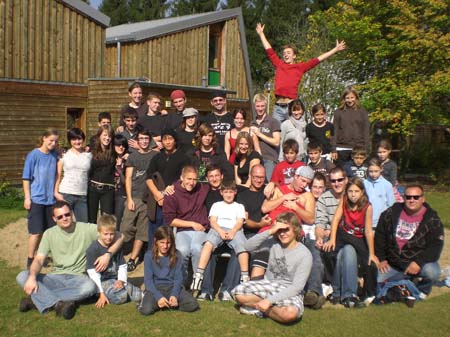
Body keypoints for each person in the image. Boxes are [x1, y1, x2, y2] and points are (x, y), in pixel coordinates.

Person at [16, 201, 123, 320]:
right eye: (60, 217)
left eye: (67, 214)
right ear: (54, 218)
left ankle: (36, 300)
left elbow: (120, 236)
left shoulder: (86, 229)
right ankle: (58, 304)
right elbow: (39, 259)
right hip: (56, 277)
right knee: (22, 276)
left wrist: (108, 255)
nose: (65, 218)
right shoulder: (49, 234)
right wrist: (31, 278)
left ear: (72, 213)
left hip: (79, 278)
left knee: (90, 287)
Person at [255, 22, 345, 123]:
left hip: (292, 106)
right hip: (278, 107)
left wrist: (335, 50)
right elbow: (269, 51)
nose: (286, 55)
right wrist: (261, 34)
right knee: (276, 133)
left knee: (296, 133)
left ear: (294, 56)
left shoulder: (300, 67)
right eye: (284, 53)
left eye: (288, 53)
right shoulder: (279, 64)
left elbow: (318, 59)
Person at [232, 212, 312, 324]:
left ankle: (259, 310)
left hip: (289, 290)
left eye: (286, 229)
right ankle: (270, 309)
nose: (282, 234)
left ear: (295, 229)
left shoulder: (305, 254)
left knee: (290, 314)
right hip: (269, 284)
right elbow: (248, 246)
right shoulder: (273, 243)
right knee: (239, 294)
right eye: (279, 230)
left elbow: (297, 287)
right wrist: (270, 231)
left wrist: (269, 301)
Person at [375, 184, 443, 296]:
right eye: (408, 197)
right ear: (403, 197)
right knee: (375, 280)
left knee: (432, 272)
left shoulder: (432, 219)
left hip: (417, 262)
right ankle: (406, 281)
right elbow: (380, 236)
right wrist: (381, 258)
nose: (412, 200)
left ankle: (421, 291)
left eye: (416, 197)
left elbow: (435, 246)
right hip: (393, 262)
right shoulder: (390, 213)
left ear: (423, 199)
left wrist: (418, 263)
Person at [323, 177, 379, 308]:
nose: (353, 195)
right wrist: (332, 239)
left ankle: (369, 293)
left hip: (358, 237)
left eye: (356, 191)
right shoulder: (344, 201)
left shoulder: (367, 207)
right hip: (344, 234)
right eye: (350, 191)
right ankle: (334, 288)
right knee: (328, 253)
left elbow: (368, 231)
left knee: (370, 264)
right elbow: (336, 219)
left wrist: (371, 253)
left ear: (362, 192)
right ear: (346, 192)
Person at [191, 181, 250, 294]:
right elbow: (213, 221)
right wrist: (220, 231)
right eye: (226, 192)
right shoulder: (217, 205)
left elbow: (239, 222)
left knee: (243, 247)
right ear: (221, 192)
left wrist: (233, 231)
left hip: (234, 229)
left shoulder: (239, 206)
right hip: (218, 228)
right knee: (208, 243)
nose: (228, 194)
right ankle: (198, 275)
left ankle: (245, 277)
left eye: (231, 192)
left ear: (235, 192)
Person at [162, 165, 210, 287]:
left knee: (197, 249)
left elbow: (221, 185)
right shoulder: (172, 193)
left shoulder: (202, 188)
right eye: (189, 179)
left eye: (195, 179)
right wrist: (192, 224)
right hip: (183, 230)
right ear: (181, 178)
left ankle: (197, 283)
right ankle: (181, 283)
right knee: (182, 251)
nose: (192, 182)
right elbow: (170, 220)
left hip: (200, 230)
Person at [138, 226, 199, 315]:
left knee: (193, 304)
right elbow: (148, 281)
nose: (165, 246)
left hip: (172, 288)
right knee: (146, 310)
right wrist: (158, 297)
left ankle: (169, 304)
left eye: (168, 243)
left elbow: (178, 278)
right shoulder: (148, 256)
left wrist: (174, 295)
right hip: (156, 289)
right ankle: (159, 302)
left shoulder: (177, 255)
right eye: (162, 242)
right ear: (156, 241)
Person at [86, 214, 142, 308]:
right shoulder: (93, 249)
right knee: (121, 296)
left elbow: (122, 266)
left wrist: (121, 280)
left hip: (115, 280)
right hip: (102, 282)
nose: (109, 237)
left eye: (112, 234)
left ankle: (141, 296)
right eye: (106, 234)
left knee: (136, 293)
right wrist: (101, 293)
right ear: (99, 232)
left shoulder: (116, 247)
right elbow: (92, 273)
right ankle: (103, 295)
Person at [120, 130, 157, 272]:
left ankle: (132, 259)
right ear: (138, 140)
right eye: (141, 138)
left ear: (150, 140)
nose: (144, 141)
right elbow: (128, 178)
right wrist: (129, 198)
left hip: (149, 199)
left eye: (146, 139)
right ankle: (120, 254)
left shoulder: (155, 155)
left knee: (142, 231)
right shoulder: (133, 157)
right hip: (134, 197)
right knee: (125, 228)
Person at [23, 128, 60, 268]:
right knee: (36, 232)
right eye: (51, 140)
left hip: (50, 200)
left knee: (50, 232)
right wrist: (27, 198)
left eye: (56, 141)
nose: (53, 143)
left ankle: (44, 256)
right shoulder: (33, 155)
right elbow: (26, 178)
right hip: (36, 199)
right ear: (44, 138)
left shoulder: (54, 155)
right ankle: (30, 259)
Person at [146, 129, 190, 243]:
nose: (167, 142)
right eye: (164, 139)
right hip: (156, 201)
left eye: (170, 139)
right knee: (154, 231)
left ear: (175, 141)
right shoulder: (157, 157)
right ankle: (152, 256)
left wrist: (171, 189)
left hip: (174, 199)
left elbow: (186, 179)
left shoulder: (183, 158)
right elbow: (148, 178)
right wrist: (157, 194)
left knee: (167, 233)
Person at [237, 165, 272, 279]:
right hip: (249, 233)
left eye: (262, 177)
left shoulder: (268, 192)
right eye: (256, 177)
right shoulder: (242, 195)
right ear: (250, 176)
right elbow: (245, 221)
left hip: (267, 232)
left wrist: (274, 183)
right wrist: (260, 224)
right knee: (252, 250)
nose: (259, 180)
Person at [315, 167, 348, 287]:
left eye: (340, 180)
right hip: (329, 234)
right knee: (325, 248)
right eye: (333, 181)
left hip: (348, 233)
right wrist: (319, 237)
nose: (337, 183)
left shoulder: (352, 195)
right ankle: (331, 283)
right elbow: (320, 223)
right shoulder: (324, 198)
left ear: (346, 180)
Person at [54, 128, 91, 223]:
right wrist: (55, 192)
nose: (77, 142)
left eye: (79, 139)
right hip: (66, 193)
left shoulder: (89, 155)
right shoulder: (63, 155)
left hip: (82, 195)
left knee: (83, 224)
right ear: (70, 141)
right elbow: (58, 175)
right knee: (64, 222)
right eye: (74, 139)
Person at [332, 87, 370, 166]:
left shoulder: (362, 112)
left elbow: (366, 131)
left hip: (358, 149)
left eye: (352, 97)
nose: (350, 100)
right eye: (347, 98)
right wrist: (333, 149)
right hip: (342, 149)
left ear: (356, 97)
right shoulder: (338, 112)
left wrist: (366, 149)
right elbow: (334, 131)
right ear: (344, 99)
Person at [88, 125, 115, 224]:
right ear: (99, 135)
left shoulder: (114, 152)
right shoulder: (91, 151)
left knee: (107, 220)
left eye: (110, 136)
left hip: (108, 189)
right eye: (105, 135)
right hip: (92, 188)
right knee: (91, 220)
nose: (107, 138)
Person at [250, 94, 281, 181]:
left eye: (262, 106)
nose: (260, 109)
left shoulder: (273, 122)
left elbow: (276, 142)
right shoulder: (252, 123)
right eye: (258, 106)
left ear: (266, 106)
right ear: (254, 106)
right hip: (255, 159)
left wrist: (259, 134)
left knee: (267, 185)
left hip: (269, 159)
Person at [364, 158, 395, 231]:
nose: (373, 174)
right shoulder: (364, 183)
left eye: (376, 171)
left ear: (381, 169)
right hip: (365, 220)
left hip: (380, 222)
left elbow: (391, 204)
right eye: (371, 171)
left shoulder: (387, 185)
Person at [113, 134, 129, 227]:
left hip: (122, 195)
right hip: (109, 193)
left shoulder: (128, 159)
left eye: (123, 145)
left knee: (117, 222)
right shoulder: (110, 158)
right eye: (118, 145)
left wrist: (119, 168)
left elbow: (125, 181)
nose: (121, 147)